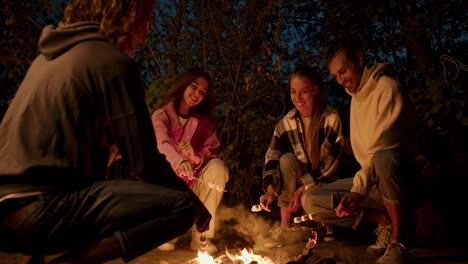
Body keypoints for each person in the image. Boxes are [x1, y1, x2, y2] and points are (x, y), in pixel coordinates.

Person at [0, 1, 211, 263]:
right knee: (182, 208)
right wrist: (193, 199)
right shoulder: (112, 63)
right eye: (144, 22)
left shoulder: (45, 61)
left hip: (7, 212)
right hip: (39, 212)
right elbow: (144, 162)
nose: (145, 35)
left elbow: (51, 165)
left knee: (94, 189)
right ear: (126, 17)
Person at [301, 38, 418, 264]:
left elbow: (382, 149)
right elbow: (364, 151)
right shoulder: (355, 97)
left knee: (384, 159)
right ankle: (384, 221)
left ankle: (399, 241)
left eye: (343, 71)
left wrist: (357, 192)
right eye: (335, 76)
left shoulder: (387, 88)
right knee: (311, 200)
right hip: (372, 182)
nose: (341, 80)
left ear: (359, 58)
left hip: (401, 180)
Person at [259, 65, 344, 247]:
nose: (297, 99)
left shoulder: (330, 119)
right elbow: (272, 157)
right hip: (299, 180)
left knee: (322, 185)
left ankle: (326, 222)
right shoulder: (287, 123)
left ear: (315, 90)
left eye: (303, 92)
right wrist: (270, 191)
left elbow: (331, 163)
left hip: (324, 179)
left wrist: (303, 188)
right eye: (293, 92)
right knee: (286, 159)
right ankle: (285, 227)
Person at [151, 67, 229, 255]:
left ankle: (201, 236)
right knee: (167, 241)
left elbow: (212, 152)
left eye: (202, 92)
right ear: (183, 85)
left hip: (194, 185)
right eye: (193, 87)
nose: (197, 94)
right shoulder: (161, 116)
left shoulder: (205, 122)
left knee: (218, 167)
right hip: (167, 186)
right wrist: (179, 161)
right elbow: (162, 143)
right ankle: (168, 230)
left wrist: (195, 158)